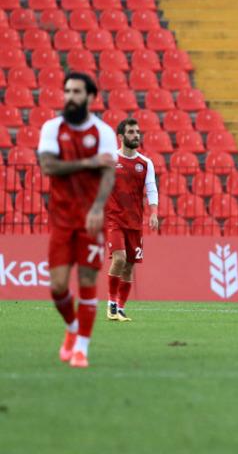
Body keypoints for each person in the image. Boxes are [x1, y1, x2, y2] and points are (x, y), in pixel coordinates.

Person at [37, 72, 118, 368]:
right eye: (67, 91)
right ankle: (71, 327)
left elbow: (108, 172)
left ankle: (82, 347)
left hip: (89, 219)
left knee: (86, 281)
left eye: (76, 92)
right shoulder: (52, 128)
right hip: (61, 219)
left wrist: (98, 208)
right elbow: (48, 166)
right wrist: (87, 162)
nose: (70, 97)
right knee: (57, 286)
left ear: (90, 97)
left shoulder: (104, 133)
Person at [105, 118, 159, 322]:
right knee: (118, 259)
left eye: (137, 131)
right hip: (114, 219)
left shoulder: (145, 163)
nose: (136, 135)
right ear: (121, 137)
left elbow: (152, 189)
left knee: (129, 266)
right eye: (131, 132)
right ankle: (110, 303)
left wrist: (154, 212)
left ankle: (120, 308)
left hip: (134, 221)